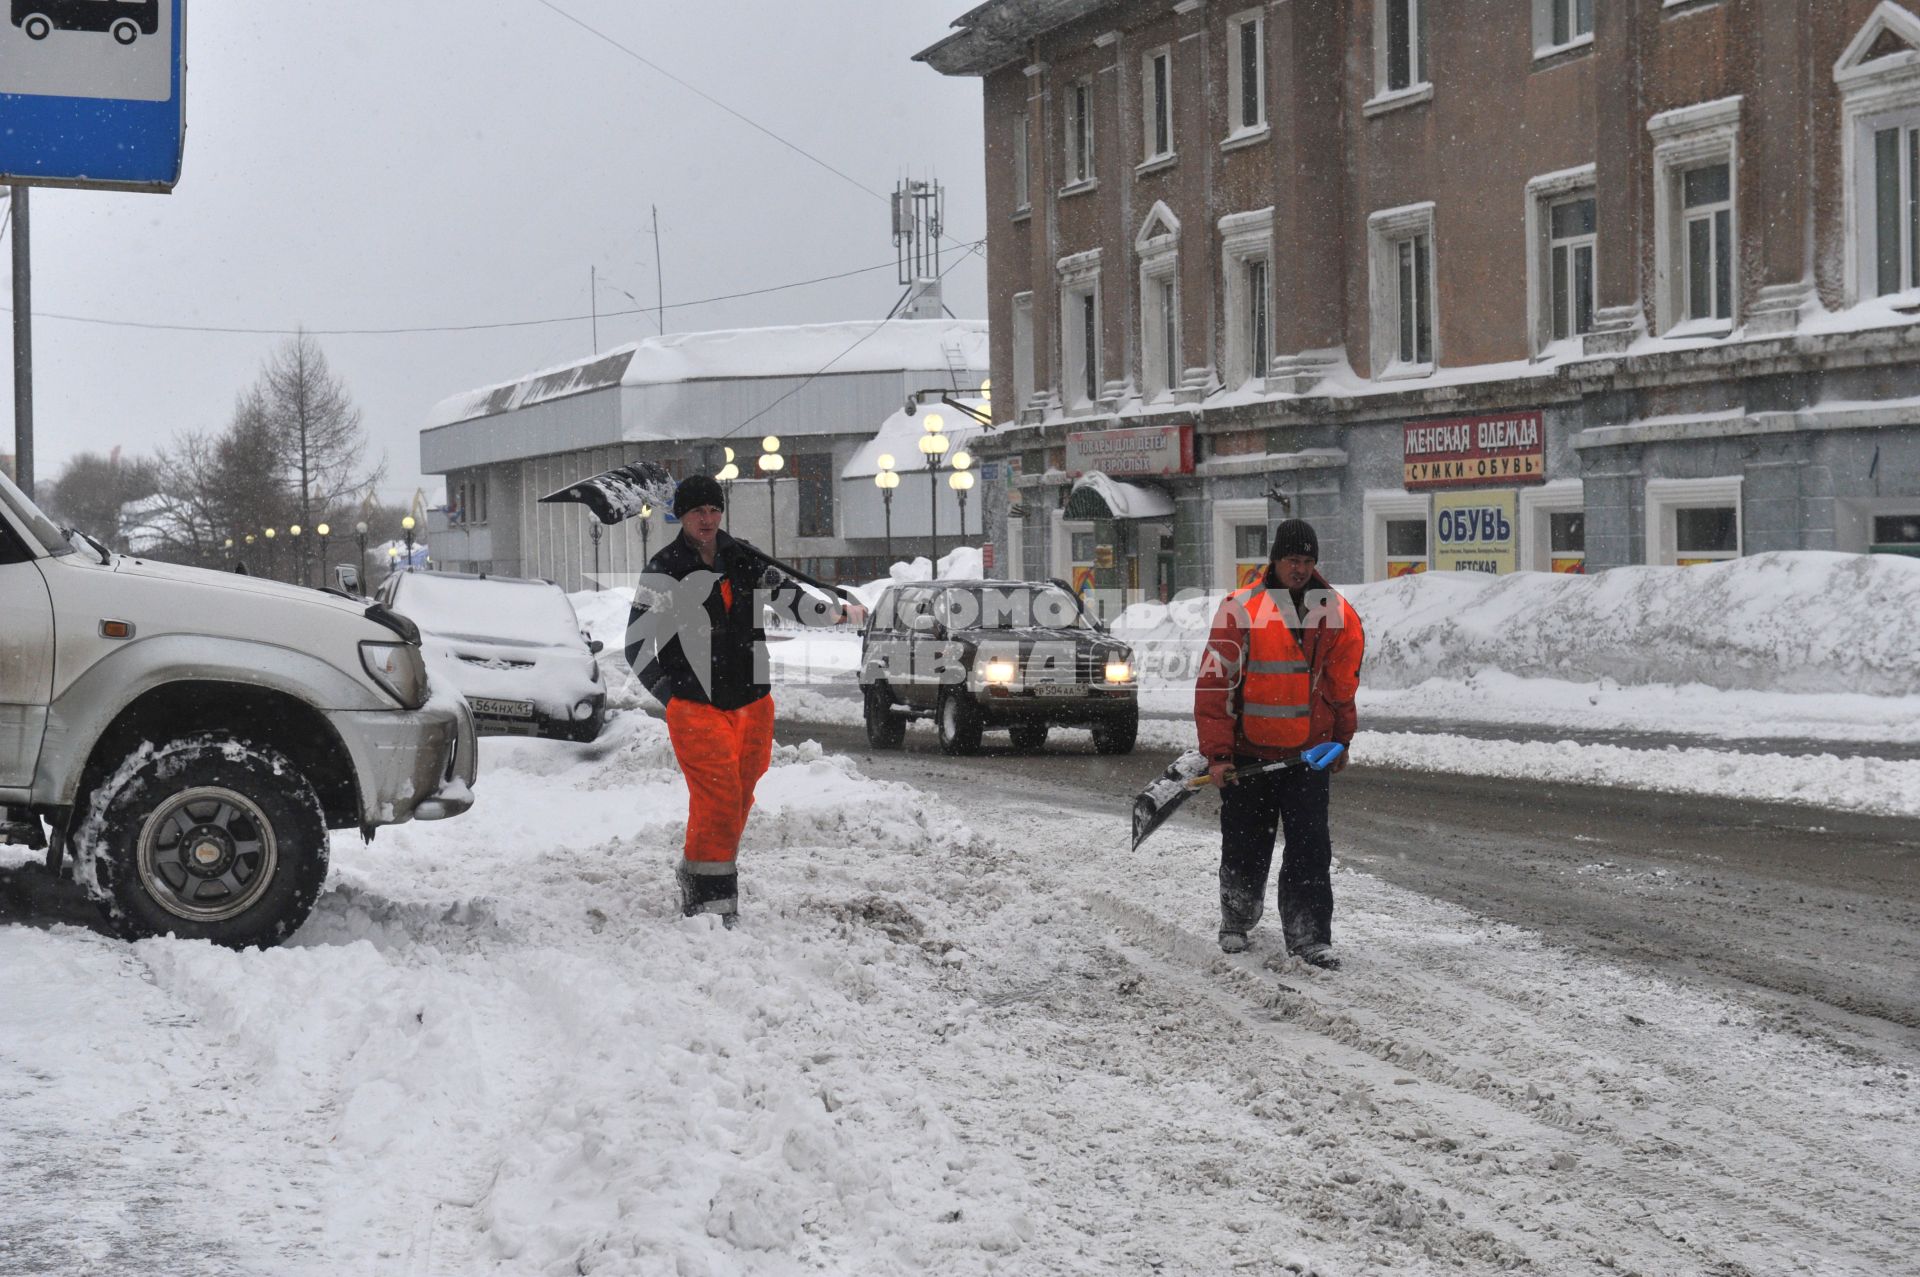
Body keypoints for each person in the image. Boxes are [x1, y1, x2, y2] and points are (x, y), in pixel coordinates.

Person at [624, 474, 853, 926]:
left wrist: (832, 609)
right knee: (719, 799)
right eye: (696, 512)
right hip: (696, 705)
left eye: (713, 510)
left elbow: (792, 602)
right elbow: (636, 644)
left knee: (741, 797)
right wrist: (671, 696)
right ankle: (711, 901)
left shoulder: (744, 557)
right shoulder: (664, 568)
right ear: (681, 516)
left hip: (752, 702)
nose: (706, 519)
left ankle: (699, 873)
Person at [1194, 518, 1365, 968]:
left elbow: (1340, 683)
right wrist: (1218, 754)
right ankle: (1237, 920)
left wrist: (1343, 738)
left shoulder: (1335, 613)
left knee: (1310, 850)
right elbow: (1215, 686)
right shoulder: (1241, 608)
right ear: (1275, 559)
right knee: (1246, 844)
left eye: (1308, 561)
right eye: (1293, 559)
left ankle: (1310, 937)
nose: (1300, 569)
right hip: (1250, 753)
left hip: (1308, 755)